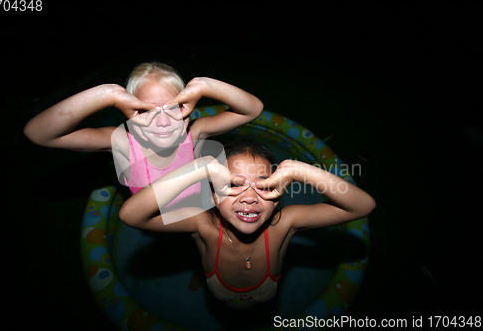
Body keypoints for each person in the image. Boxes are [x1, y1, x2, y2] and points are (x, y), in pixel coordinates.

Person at [118, 138, 376, 309]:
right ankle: (202, 276)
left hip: (266, 295)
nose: (250, 197)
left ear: (278, 197)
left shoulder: (284, 223)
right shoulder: (203, 224)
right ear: (212, 195)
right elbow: (132, 215)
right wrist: (200, 168)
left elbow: (362, 206)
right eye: (233, 184)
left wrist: (298, 170)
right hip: (216, 289)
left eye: (264, 185)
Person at [23, 62, 264, 212]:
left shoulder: (194, 132)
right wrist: (106, 93)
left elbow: (252, 109)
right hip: (152, 220)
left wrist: (204, 85)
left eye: (174, 108)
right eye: (145, 110)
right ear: (128, 112)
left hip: (197, 211)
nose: (162, 121)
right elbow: (38, 134)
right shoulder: (122, 143)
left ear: (188, 107)